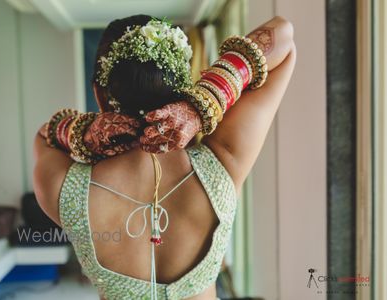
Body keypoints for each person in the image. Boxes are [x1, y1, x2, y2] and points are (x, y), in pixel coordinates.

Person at [33, 14, 296, 300]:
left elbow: (43, 136)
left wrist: (81, 131)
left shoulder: (66, 193)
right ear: (185, 88)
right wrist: (206, 101)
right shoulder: (223, 163)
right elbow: (283, 38)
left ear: (98, 94)